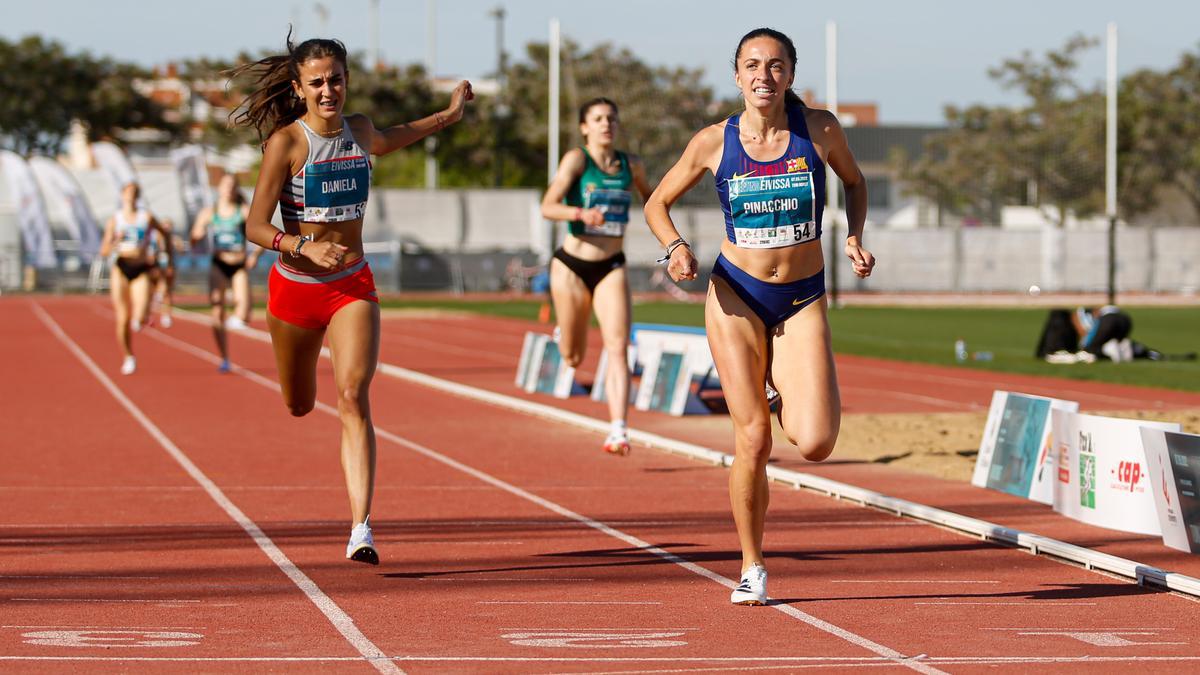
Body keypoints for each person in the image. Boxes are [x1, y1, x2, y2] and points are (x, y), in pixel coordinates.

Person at [644, 27, 875, 605]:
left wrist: (854, 236)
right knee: (753, 440)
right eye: (752, 65)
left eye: (775, 66)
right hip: (736, 294)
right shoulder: (713, 142)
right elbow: (656, 203)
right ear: (737, 75)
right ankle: (752, 566)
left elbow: (855, 180)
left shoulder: (820, 130)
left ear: (791, 74)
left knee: (817, 441)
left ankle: (775, 385)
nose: (763, 76)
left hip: (801, 297)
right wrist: (674, 248)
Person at [233, 30, 473, 564]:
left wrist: (449, 116)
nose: (327, 90)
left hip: (352, 285)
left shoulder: (359, 132)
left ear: (347, 82)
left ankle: (360, 527)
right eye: (316, 82)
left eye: (335, 80)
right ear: (298, 88)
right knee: (299, 404)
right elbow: (252, 225)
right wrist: (297, 246)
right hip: (296, 289)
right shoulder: (287, 144)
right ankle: (302, 401)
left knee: (352, 395)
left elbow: (394, 135)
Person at [540, 98, 654, 455]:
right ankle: (565, 333)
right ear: (584, 127)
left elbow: (653, 201)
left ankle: (618, 430)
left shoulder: (630, 165)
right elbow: (548, 206)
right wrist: (580, 213)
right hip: (572, 265)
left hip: (611, 265)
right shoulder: (577, 160)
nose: (607, 124)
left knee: (618, 347)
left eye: (612, 119)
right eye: (598, 119)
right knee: (573, 357)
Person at [98, 182, 175, 375]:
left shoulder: (145, 217)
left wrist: (163, 254)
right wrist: (117, 240)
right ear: (122, 195)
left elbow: (164, 233)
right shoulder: (115, 220)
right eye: (128, 192)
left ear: (138, 196)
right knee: (122, 319)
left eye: (134, 193)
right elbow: (104, 250)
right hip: (121, 268)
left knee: (139, 315)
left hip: (141, 268)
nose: (130, 196)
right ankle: (128, 356)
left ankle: (141, 319)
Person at [190, 174, 261, 373]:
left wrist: (254, 255)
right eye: (225, 185)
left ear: (236, 189)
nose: (229, 188)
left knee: (242, 309)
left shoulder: (243, 211)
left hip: (238, 264)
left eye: (232, 185)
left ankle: (239, 317)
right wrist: (197, 237)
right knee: (216, 312)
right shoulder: (209, 212)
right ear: (219, 188)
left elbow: (263, 231)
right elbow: (194, 237)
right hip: (218, 264)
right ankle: (224, 356)